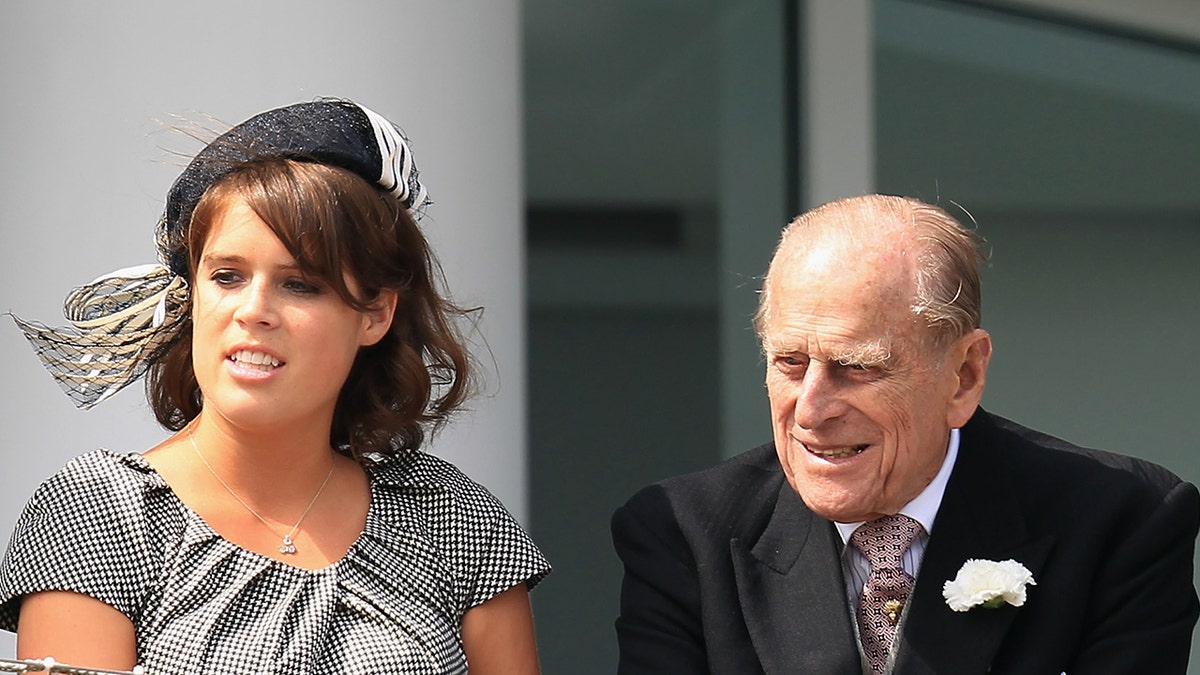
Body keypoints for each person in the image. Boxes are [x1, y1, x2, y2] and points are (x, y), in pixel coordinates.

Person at [0, 99, 550, 674]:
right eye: (227, 276)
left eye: (300, 284)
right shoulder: (98, 513)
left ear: (375, 314)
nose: (254, 310)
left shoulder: (449, 514)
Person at [611, 194, 1199, 674]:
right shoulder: (687, 532)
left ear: (964, 376)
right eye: (789, 362)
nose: (811, 411)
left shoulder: (1119, 520)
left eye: (857, 366)